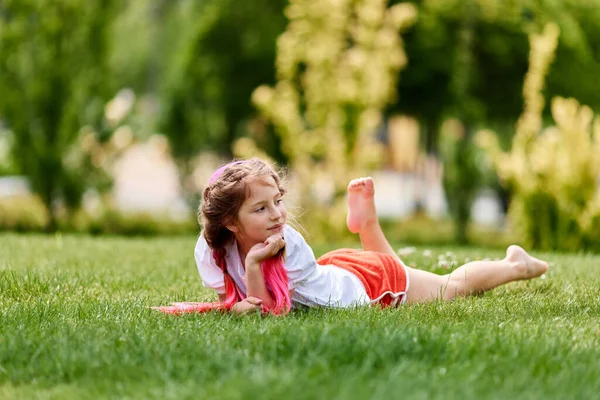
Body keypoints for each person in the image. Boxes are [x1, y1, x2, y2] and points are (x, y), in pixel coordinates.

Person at [158, 158, 548, 315]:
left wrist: (256, 263)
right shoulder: (211, 250)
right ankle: (366, 225)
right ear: (229, 222)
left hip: (366, 285)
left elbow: (266, 312)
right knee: (397, 264)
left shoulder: (286, 243)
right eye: (261, 209)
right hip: (336, 269)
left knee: (450, 287)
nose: (278, 215)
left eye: (278, 201)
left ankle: (513, 265)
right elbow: (234, 300)